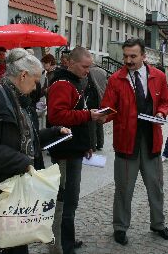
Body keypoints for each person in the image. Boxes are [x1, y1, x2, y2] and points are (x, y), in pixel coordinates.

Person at [0, 48, 71, 254]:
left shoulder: (18, 100)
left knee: (15, 245)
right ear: (23, 75)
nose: (36, 86)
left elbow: (22, 138)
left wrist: (53, 132)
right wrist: (19, 160)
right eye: (35, 80)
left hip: (13, 192)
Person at [100, 38, 168, 246]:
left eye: (133, 56)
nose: (128, 60)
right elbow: (108, 107)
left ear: (144, 56)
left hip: (151, 140)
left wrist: (161, 113)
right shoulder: (116, 79)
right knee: (124, 188)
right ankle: (120, 227)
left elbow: (165, 101)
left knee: (156, 186)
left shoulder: (158, 76)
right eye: (125, 56)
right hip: (126, 142)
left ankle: (158, 224)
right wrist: (101, 115)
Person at [47, 46, 106, 254]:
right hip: (64, 150)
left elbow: (80, 117)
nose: (87, 71)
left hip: (74, 148)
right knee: (64, 199)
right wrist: (88, 115)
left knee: (71, 198)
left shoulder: (77, 81)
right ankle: (60, 245)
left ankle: (67, 240)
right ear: (70, 63)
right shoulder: (62, 84)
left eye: (90, 67)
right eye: (84, 66)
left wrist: (87, 144)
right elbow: (57, 117)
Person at [85, 64, 108, 151]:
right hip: (102, 99)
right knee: (100, 122)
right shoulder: (103, 71)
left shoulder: (89, 72)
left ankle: (92, 146)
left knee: (91, 123)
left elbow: (87, 85)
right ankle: (100, 143)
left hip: (92, 99)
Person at [40, 54, 57, 128]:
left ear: (49, 63)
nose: (43, 66)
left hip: (54, 104)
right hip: (50, 103)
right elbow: (44, 87)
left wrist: (48, 89)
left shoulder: (55, 74)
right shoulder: (48, 74)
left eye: (44, 64)